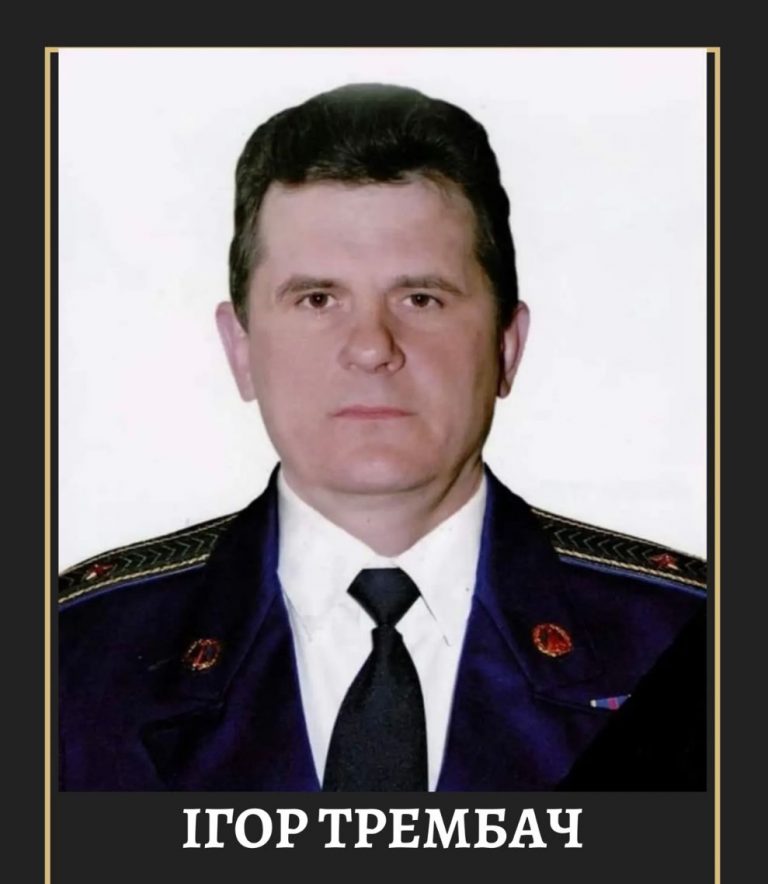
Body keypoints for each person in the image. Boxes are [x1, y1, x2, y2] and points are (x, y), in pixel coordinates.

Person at [58, 83, 706, 791]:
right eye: (317, 299)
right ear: (240, 349)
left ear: (507, 346)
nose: (372, 346)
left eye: (421, 298)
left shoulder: (684, 637)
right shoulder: (73, 655)